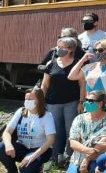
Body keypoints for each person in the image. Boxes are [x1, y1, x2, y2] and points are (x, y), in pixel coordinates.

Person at [41, 36, 85, 167]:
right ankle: (55, 156)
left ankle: (71, 158)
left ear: (70, 49)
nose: (58, 49)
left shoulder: (77, 64)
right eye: (58, 46)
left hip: (71, 103)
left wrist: (81, 102)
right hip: (52, 103)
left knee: (71, 130)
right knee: (55, 130)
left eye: (61, 47)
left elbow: (82, 84)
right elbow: (45, 85)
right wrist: (41, 101)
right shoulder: (51, 63)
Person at [0, 87, 55, 173]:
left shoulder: (47, 116)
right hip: (22, 147)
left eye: (30, 99)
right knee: (1, 147)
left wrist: (33, 156)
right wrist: (8, 145)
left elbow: (50, 140)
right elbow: (7, 132)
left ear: (39, 100)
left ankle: (38, 168)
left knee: (26, 169)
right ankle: (12, 171)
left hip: (40, 150)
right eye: (26, 99)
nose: (27, 101)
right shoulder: (21, 112)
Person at [66, 90, 106, 173]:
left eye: (90, 101)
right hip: (77, 160)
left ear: (100, 104)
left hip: (97, 160)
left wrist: (87, 159)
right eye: (86, 100)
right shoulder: (79, 118)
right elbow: (73, 142)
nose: (86, 103)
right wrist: (87, 150)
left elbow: (104, 142)